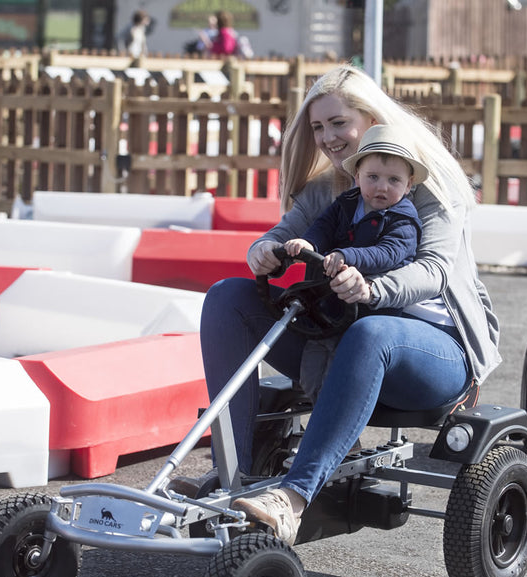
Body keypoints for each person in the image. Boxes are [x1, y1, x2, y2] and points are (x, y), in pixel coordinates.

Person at [199, 64, 500, 545]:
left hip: (434, 352)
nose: (327, 138)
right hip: (341, 341)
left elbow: (433, 271)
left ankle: (293, 498)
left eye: (338, 123)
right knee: (226, 297)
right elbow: (287, 230)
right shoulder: (328, 190)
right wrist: (265, 249)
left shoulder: (425, 188)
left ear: (372, 119)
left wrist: (375, 291)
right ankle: (230, 476)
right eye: (318, 127)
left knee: (372, 331)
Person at [283, 123, 427, 399]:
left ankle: (338, 419)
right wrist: (309, 243)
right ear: (357, 175)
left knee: (344, 373)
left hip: (370, 314)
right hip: (328, 308)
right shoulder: (347, 203)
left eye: (394, 180)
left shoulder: (404, 220)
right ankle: (321, 416)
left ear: (409, 185)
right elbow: (323, 227)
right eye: (372, 177)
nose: (381, 187)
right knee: (311, 371)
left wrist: (347, 255)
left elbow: (389, 253)